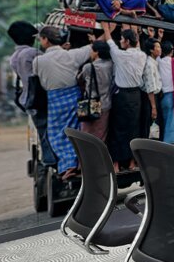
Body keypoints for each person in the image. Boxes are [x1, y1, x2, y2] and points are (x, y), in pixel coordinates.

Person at [32, 25, 93, 178]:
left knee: (56, 134)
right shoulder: (72, 55)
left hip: (54, 99)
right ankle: (79, 162)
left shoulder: (38, 61)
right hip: (74, 96)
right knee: (77, 130)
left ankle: (68, 165)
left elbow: (37, 79)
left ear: (46, 40)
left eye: (41, 39)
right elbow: (93, 47)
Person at [7, 20, 55, 166]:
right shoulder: (32, 53)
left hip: (29, 99)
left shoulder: (14, 57)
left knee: (42, 132)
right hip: (41, 98)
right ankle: (54, 160)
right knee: (50, 131)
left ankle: (48, 160)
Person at [101, 22, 147, 171]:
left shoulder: (120, 55)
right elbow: (136, 43)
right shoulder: (142, 55)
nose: (120, 41)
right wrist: (132, 27)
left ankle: (116, 164)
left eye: (121, 39)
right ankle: (132, 162)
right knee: (134, 128)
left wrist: (106, 28)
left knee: (118, 129)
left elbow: (109, 41)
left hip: (121, 96)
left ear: (127, 42)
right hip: (136, 96)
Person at [78, 39, 113, 143]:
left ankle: (84, 158)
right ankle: (98, 157)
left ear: (97, 52)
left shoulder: (88, 67)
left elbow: (79, 79)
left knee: (85, 133)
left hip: (89, 102)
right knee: (100, 135)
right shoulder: (111, 65)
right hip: (105, 103)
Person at [157, 40, 174, 144]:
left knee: (164, 119)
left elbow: (157, 55)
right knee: (171, 121)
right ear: (172, 51)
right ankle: (168, 143)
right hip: (172, 95)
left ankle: (163, 140)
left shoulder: (159, 61)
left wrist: (159, 38)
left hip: (162, 95)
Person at [140, 37, 162, 139]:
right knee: (148, 123)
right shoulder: (149, 64)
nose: (160, 49)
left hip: (154, 97)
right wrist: (153, 107)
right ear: (151, 50)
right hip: (150, 98)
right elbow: (150, 88)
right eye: (157, 47)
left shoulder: (154, 61)